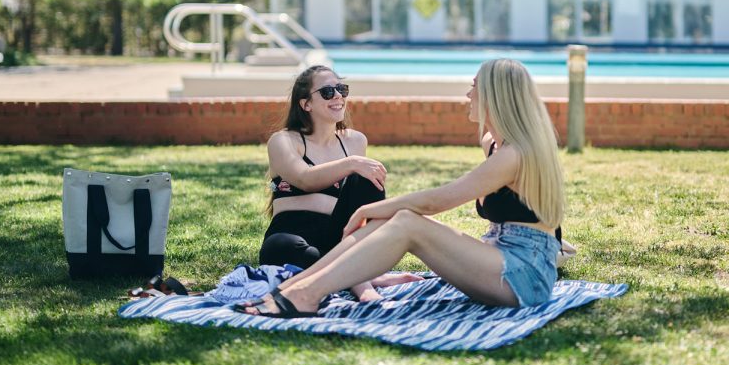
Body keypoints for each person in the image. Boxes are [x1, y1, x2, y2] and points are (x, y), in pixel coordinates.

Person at [235, 58, 565, 317]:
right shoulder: (497, 143)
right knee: (399, 220)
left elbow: (438, 200)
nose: (468, 94)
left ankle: (304, 294)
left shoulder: (514, 154)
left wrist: (371, 208)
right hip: (503, 259)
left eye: (474, 87)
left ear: (495, 95)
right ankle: (296, 289)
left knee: (405, 221)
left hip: (524, 275)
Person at [259, 64, 419, 302]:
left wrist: (355, 164)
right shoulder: (283, 140)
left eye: (341, 89)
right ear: (306, 104)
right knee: (282, 250)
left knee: (365, 178)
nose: (338, 96)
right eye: (327, 92)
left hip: (340, 235)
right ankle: (363, 279)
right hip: (291, 233)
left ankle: (358, 278)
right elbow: (305, 179)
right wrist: (351, 163)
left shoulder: (355, 141)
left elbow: (363, 204)